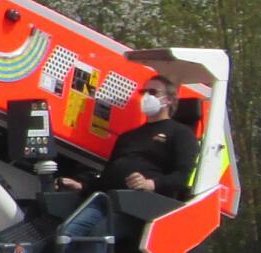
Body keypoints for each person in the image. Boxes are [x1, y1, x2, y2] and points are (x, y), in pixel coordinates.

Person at [60, 78, 198, 199]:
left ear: (169, 100)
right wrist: (82, 186)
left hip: (144, 205)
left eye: (153, 92)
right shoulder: (128, 136)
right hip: (108, 199)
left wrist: (151, 184)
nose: (146, 97)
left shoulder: (181, 133)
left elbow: (182, 177)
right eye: (144, 92)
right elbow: (108, 175)